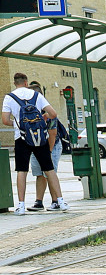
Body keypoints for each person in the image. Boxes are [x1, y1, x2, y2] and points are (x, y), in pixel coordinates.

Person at [3, 73, 68, 215]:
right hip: (40, 137)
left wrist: (19, 124)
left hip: (21, 137)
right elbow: (53, 114)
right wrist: (41, 118)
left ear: (15, 83)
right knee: (49, 169)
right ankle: (61, 201)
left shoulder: (9, 97)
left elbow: (5, 120)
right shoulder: (36, 95)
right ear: (26, 82)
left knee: (22, 170)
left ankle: (20, 205)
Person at [27, 82, 68, 211]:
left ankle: (55, 201)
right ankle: (39, 202)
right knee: (39, 174)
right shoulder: (28, 113)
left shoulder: (48, 112)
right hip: (36, 147)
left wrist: (48, 152)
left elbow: (53, 134)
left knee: (50, 173)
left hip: (52, 146)